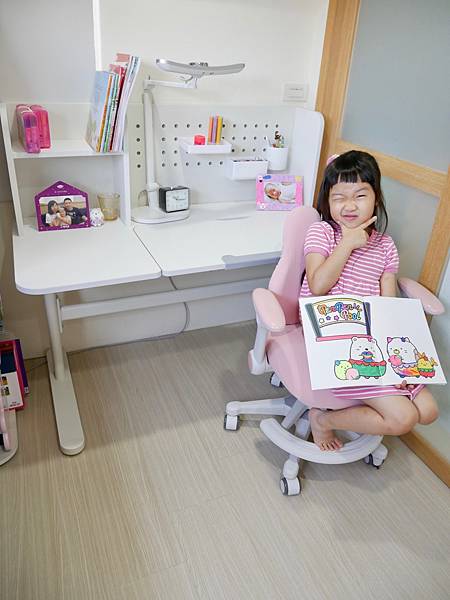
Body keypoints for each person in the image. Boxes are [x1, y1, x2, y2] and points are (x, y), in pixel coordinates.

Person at [300, 150, 439, 451]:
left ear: (376, 198)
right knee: (403, 419)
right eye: (339, 197)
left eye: (360, 195)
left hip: (374, 340)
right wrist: (348, 243)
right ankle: (323, 420)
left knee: (428, 412)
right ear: (328, 200)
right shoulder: (322, 231)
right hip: (331, 338)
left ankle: (382, 388)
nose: (349, 206)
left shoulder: (385, 245)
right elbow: (318, 285)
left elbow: (388, 307)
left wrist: (397, 365)